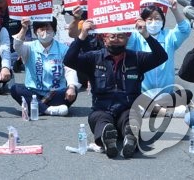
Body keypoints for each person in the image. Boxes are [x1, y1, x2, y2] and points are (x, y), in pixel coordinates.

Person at [63, 18, 167, 159]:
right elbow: (69, 60)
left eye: (120, 36)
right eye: (112, 36)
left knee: (131, 119)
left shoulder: (136, 58)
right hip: (102, 109)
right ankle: (108, 140)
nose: (116, 39)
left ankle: (131, 138)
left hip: (128, 108)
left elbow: (161, 56)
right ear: (104, 39)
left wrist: (146, 34)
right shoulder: (94, 58)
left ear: (127, 39)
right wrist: (82, 35)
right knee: (100, 120)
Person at [11, 18, 78, 116]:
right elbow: (17, 46)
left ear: (54, 31)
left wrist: (71, 87)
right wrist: (24, 28)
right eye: (41, 29)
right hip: (34, 92)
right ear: (35, 32)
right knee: (15, 89)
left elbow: (70, 70)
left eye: (48, 29)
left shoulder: (63, 49)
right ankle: (48, 110)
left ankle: (36, 107)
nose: (45, 32)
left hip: (55, 92)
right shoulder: (29, 47)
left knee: (73, 91)